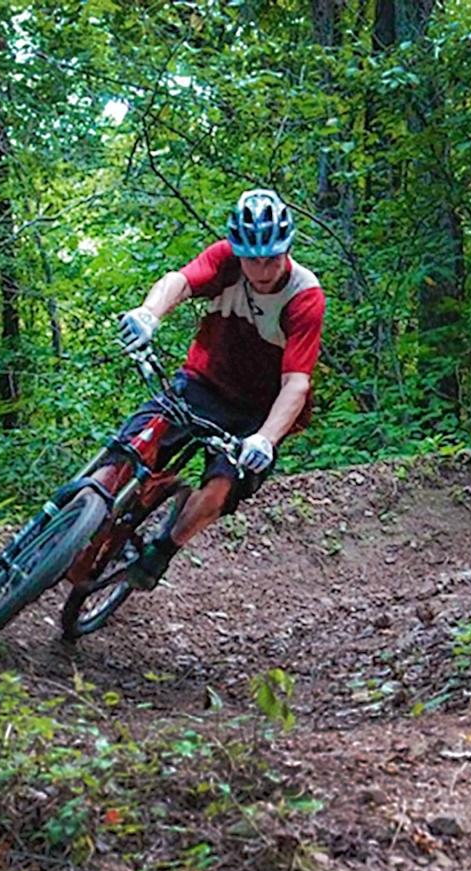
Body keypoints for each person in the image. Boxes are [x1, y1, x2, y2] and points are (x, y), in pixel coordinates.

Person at [105, 188, 325, 590]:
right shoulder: (226, 259)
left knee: (220, 487)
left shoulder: (304, 296)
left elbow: (296, 382)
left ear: (287, 249)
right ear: (238, 250)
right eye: (252, 258)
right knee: (130, 446)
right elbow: (181, 281)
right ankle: (85, 513)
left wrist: (266, 439)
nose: (261, 268)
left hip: (256, 411)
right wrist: (148, 315)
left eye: (272, 257)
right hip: (203, 382)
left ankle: (161, 552)